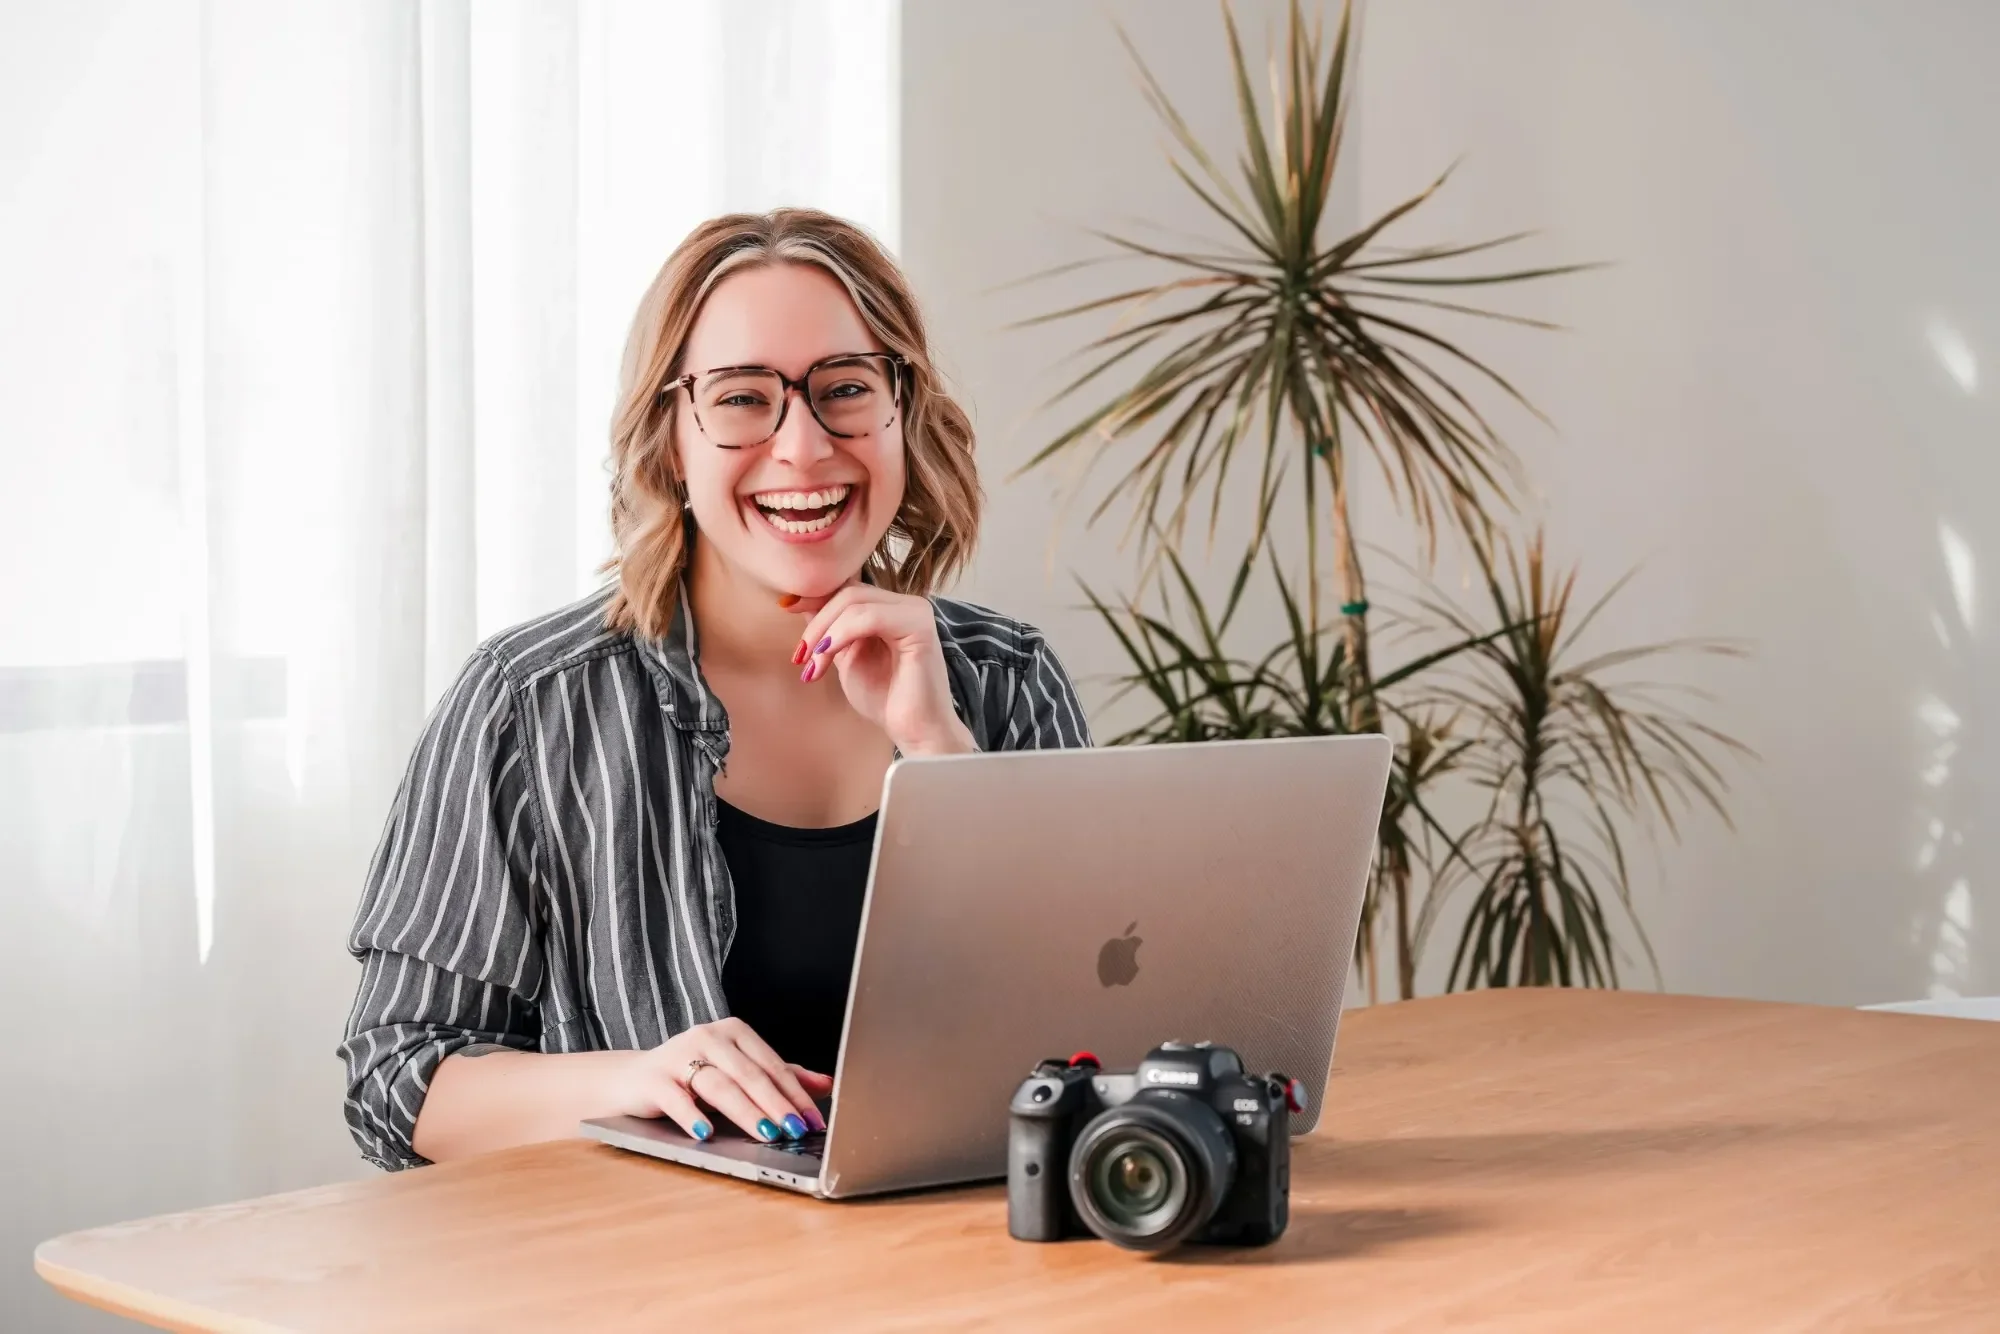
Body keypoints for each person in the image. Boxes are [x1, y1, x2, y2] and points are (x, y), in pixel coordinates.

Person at [339, 209, 1091, 1171]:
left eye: (845, 389)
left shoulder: (1004, 679)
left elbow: (1086, 1036)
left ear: (903, 413)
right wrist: (635, 1080)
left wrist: (942, 753)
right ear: (669, 440)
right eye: (743, 400)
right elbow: (394, 1081)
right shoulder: (529, 705)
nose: (805, 447)